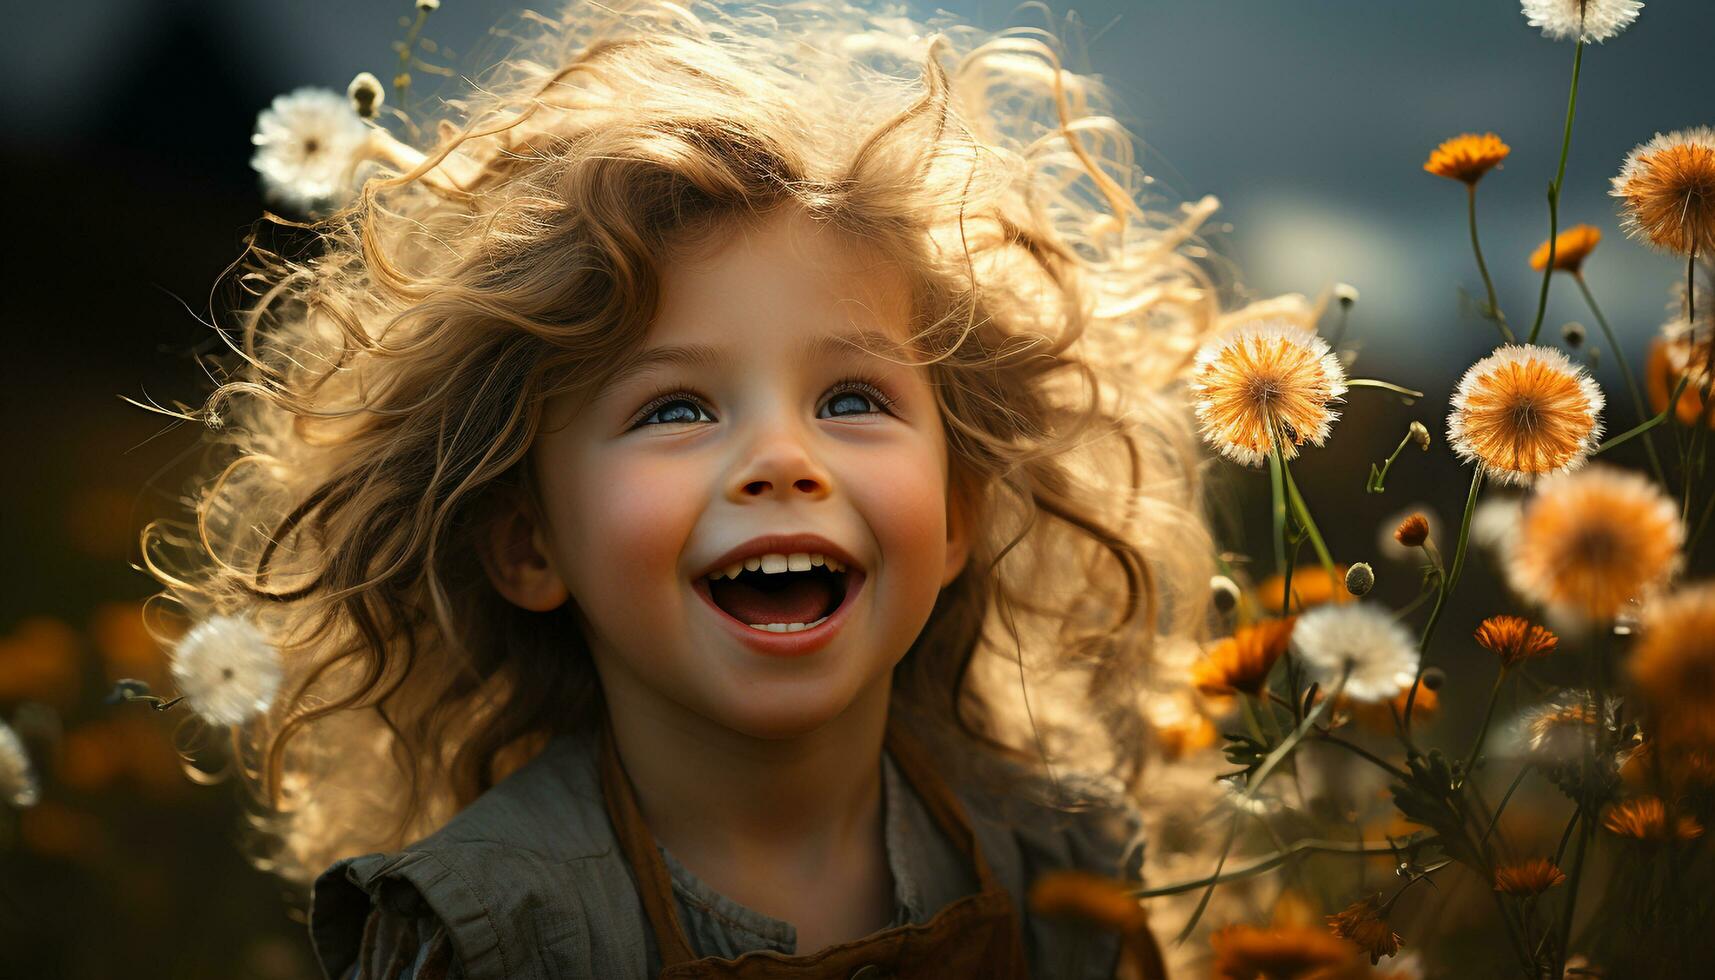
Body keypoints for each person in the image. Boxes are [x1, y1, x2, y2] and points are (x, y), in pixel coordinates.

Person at [144, 1, 1222, 976]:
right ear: (529, 547)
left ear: (954, 517)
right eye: (674, 410)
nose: (780, 458)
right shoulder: (488, 929)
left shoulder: (1055, 860)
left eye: (851, 398)